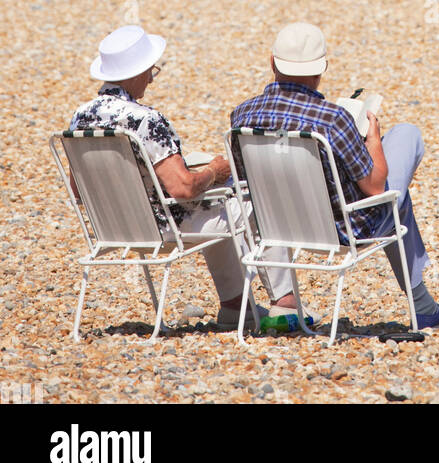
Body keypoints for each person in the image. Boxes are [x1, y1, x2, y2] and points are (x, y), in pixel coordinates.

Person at [231, 22, 439, 331]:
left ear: (272, 63)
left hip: (276, 224)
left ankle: (423, 305)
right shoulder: (333, 118)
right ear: (322, 67)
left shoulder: (242, 116)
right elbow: (376, 185)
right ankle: (422, 306)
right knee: (404, 147)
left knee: (397, 198)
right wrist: (373, 140)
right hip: (341, 228)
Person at [68, 25, 295, 331]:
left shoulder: (80, 117)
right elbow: (183, 188)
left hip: (111, 226)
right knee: (251, 205)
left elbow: (78, 189)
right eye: (151, 70)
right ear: (136, 72)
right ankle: (287, 307)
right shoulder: (146, 120)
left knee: (217, 208)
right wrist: (215, 171)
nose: (151, 77)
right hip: (160, 227)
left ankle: (236, 307)